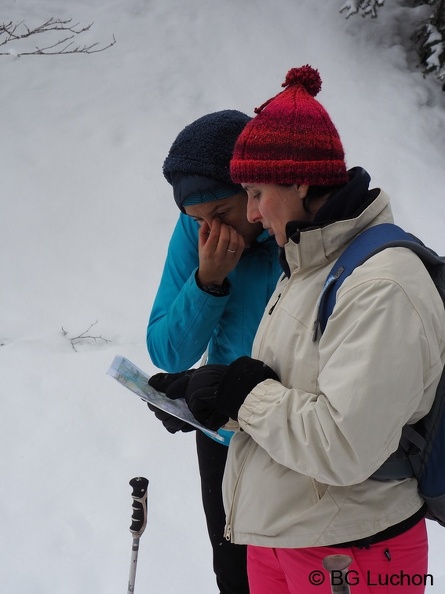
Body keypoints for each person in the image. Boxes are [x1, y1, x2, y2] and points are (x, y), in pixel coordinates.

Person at [148, 66, 445, 593]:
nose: (255, 216)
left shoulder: (371, 279)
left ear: (299, 182)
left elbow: (341, 440)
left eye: (253, 194)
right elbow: (273, 379)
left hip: (348, 534)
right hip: (278, 506)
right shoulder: (305, 259)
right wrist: (205, 386)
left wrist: (237, 393)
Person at [146, 110, 282, 594]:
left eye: (222, 214)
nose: (213, 230)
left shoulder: (292, 229)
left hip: (297, 437)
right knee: (235, 575)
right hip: (224, 436)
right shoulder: (196, 235)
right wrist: (207, 281)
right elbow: (167, 349)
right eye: (199, 219)